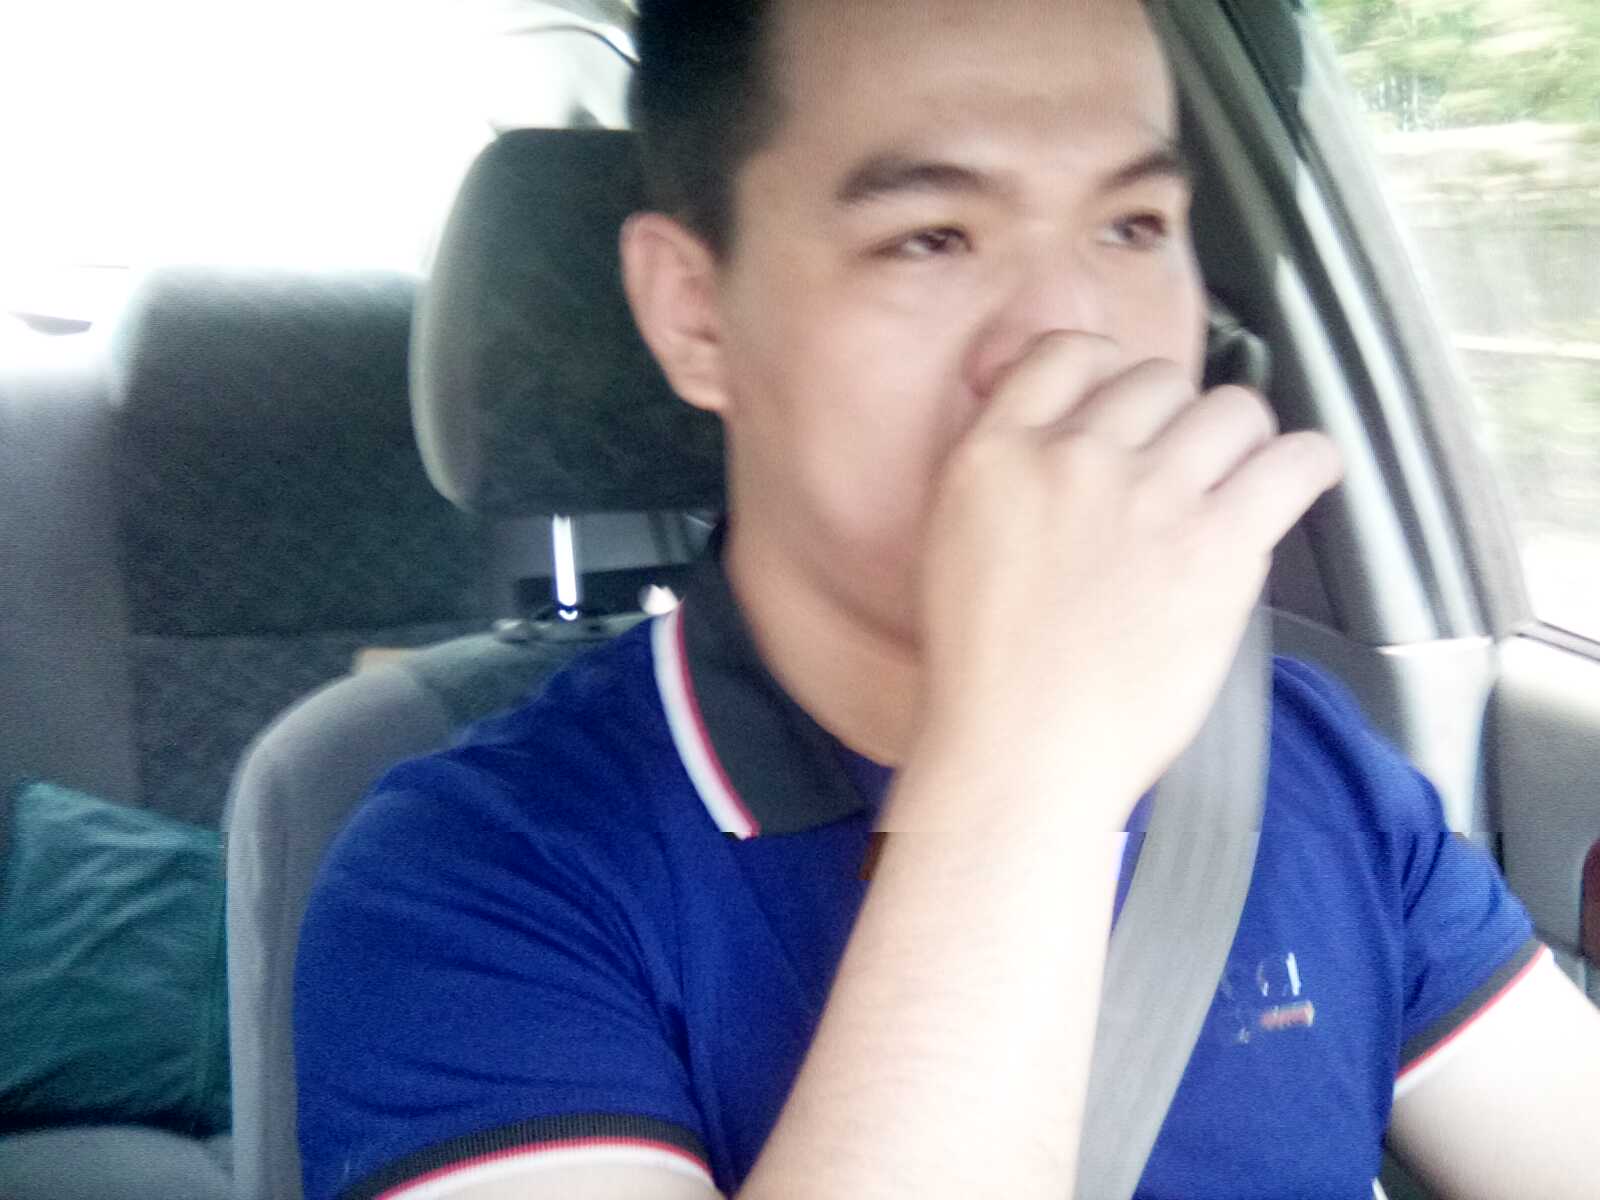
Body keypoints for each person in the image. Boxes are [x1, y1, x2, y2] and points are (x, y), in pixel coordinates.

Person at [293, 1, 1600, 1197]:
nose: (1071, 335)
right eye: (930, 237)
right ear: (696, 314)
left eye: (1133, 226)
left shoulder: (1309, 763)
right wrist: (1034, 764)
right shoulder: (471, 882)